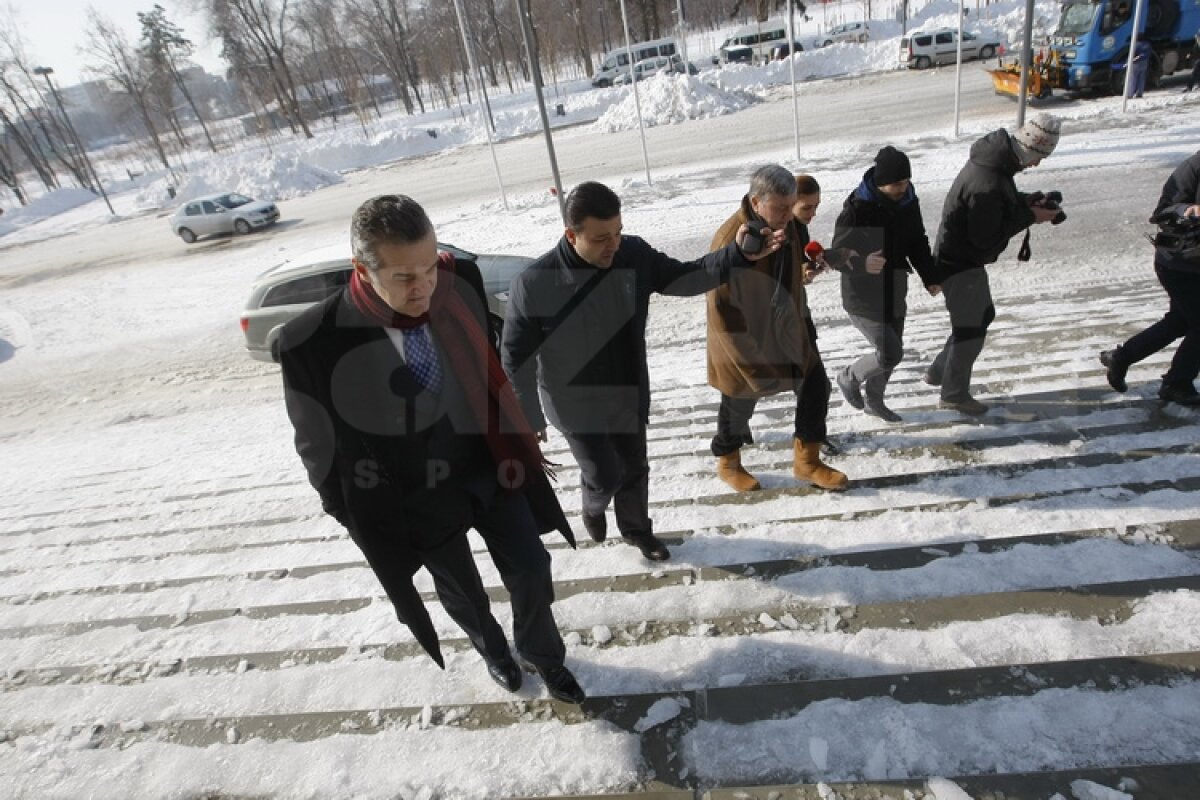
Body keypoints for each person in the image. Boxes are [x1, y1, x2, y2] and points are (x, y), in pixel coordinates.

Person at [279, 194, 586, 704]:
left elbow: (489, 361)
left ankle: (543, 655)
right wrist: (351, 513)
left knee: (532, 566)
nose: (424, 286)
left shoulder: (457, 280)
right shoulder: (311, 339)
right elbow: (316, 446)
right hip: (414, 495)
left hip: (487, 463)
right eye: (404, 277)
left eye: (428, 266)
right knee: (462, 591)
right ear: (363, 268)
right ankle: (493, 650)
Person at [502, 181, 782, 560]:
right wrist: (528, 418)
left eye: (617, 232)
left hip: (626, 393)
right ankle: (593, 504)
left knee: (635, 470)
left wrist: (738, 256)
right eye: (601, 238)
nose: (613, 244)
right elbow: (516, 358)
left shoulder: (632, 254)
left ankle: (637, 531)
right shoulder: (535, 283)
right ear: (572, 234)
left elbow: (687, 275)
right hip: (574, 404)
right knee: (603, 475)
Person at [707, 167, 849, 492]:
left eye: (792, 206)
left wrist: (809, 269)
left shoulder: (787, 225)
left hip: (787, 328)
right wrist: (748, 361)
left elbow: (792, 270)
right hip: (744, 340)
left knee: (816, 386)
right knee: (740, 399)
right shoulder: (730, 240)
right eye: (781, 208)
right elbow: (721, 312)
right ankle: (728, 459)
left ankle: (807, 461)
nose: (789, 215)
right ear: (757, 202)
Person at [925, 113, 1066, 415]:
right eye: (1039, 156)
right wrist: (1031, 216)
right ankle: (953, 394)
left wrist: (1027, 201)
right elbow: (985, 238)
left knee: (980, 317)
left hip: (957, 257)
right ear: (1030, 148)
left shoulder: (994, 164)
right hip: (961, 262)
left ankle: (939, 372)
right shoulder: (989, 180)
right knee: (972, 328)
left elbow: (999, 203)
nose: (1037, 164)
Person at [832, 146, 939, 423]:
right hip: (862, 297)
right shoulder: (856, 210)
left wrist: (930, 276)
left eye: (906, 181)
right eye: (897, 184)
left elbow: (917, 241)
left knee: (891, 353)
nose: (904, 187)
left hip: (893, 289)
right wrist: (862, 264)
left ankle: (874, 402)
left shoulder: (907, 201)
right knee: (890, 353)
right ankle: (848, 376)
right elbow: (836, 256)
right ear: (881, 183)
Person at [1100, 150, 1200, 407]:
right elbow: (1163, 210)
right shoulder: (1194, 167)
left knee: (1180, 321)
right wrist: (1188, 209)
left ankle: (1121, 357)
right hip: (1180, 263)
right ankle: (1176, 383)